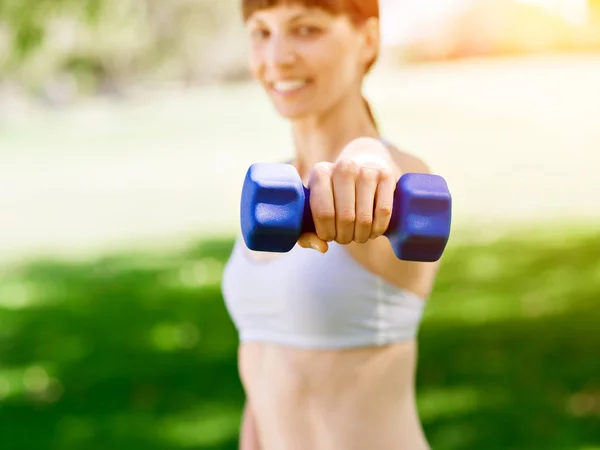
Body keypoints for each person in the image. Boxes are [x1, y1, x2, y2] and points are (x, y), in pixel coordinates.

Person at [221, 1, 443, 449]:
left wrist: (363, 157)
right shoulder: (275, 188)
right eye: (262, 32)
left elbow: (373, 167)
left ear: (367, 40)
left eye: (305, 30)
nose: (277, 57)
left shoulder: (398, 185)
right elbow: (264, 382)